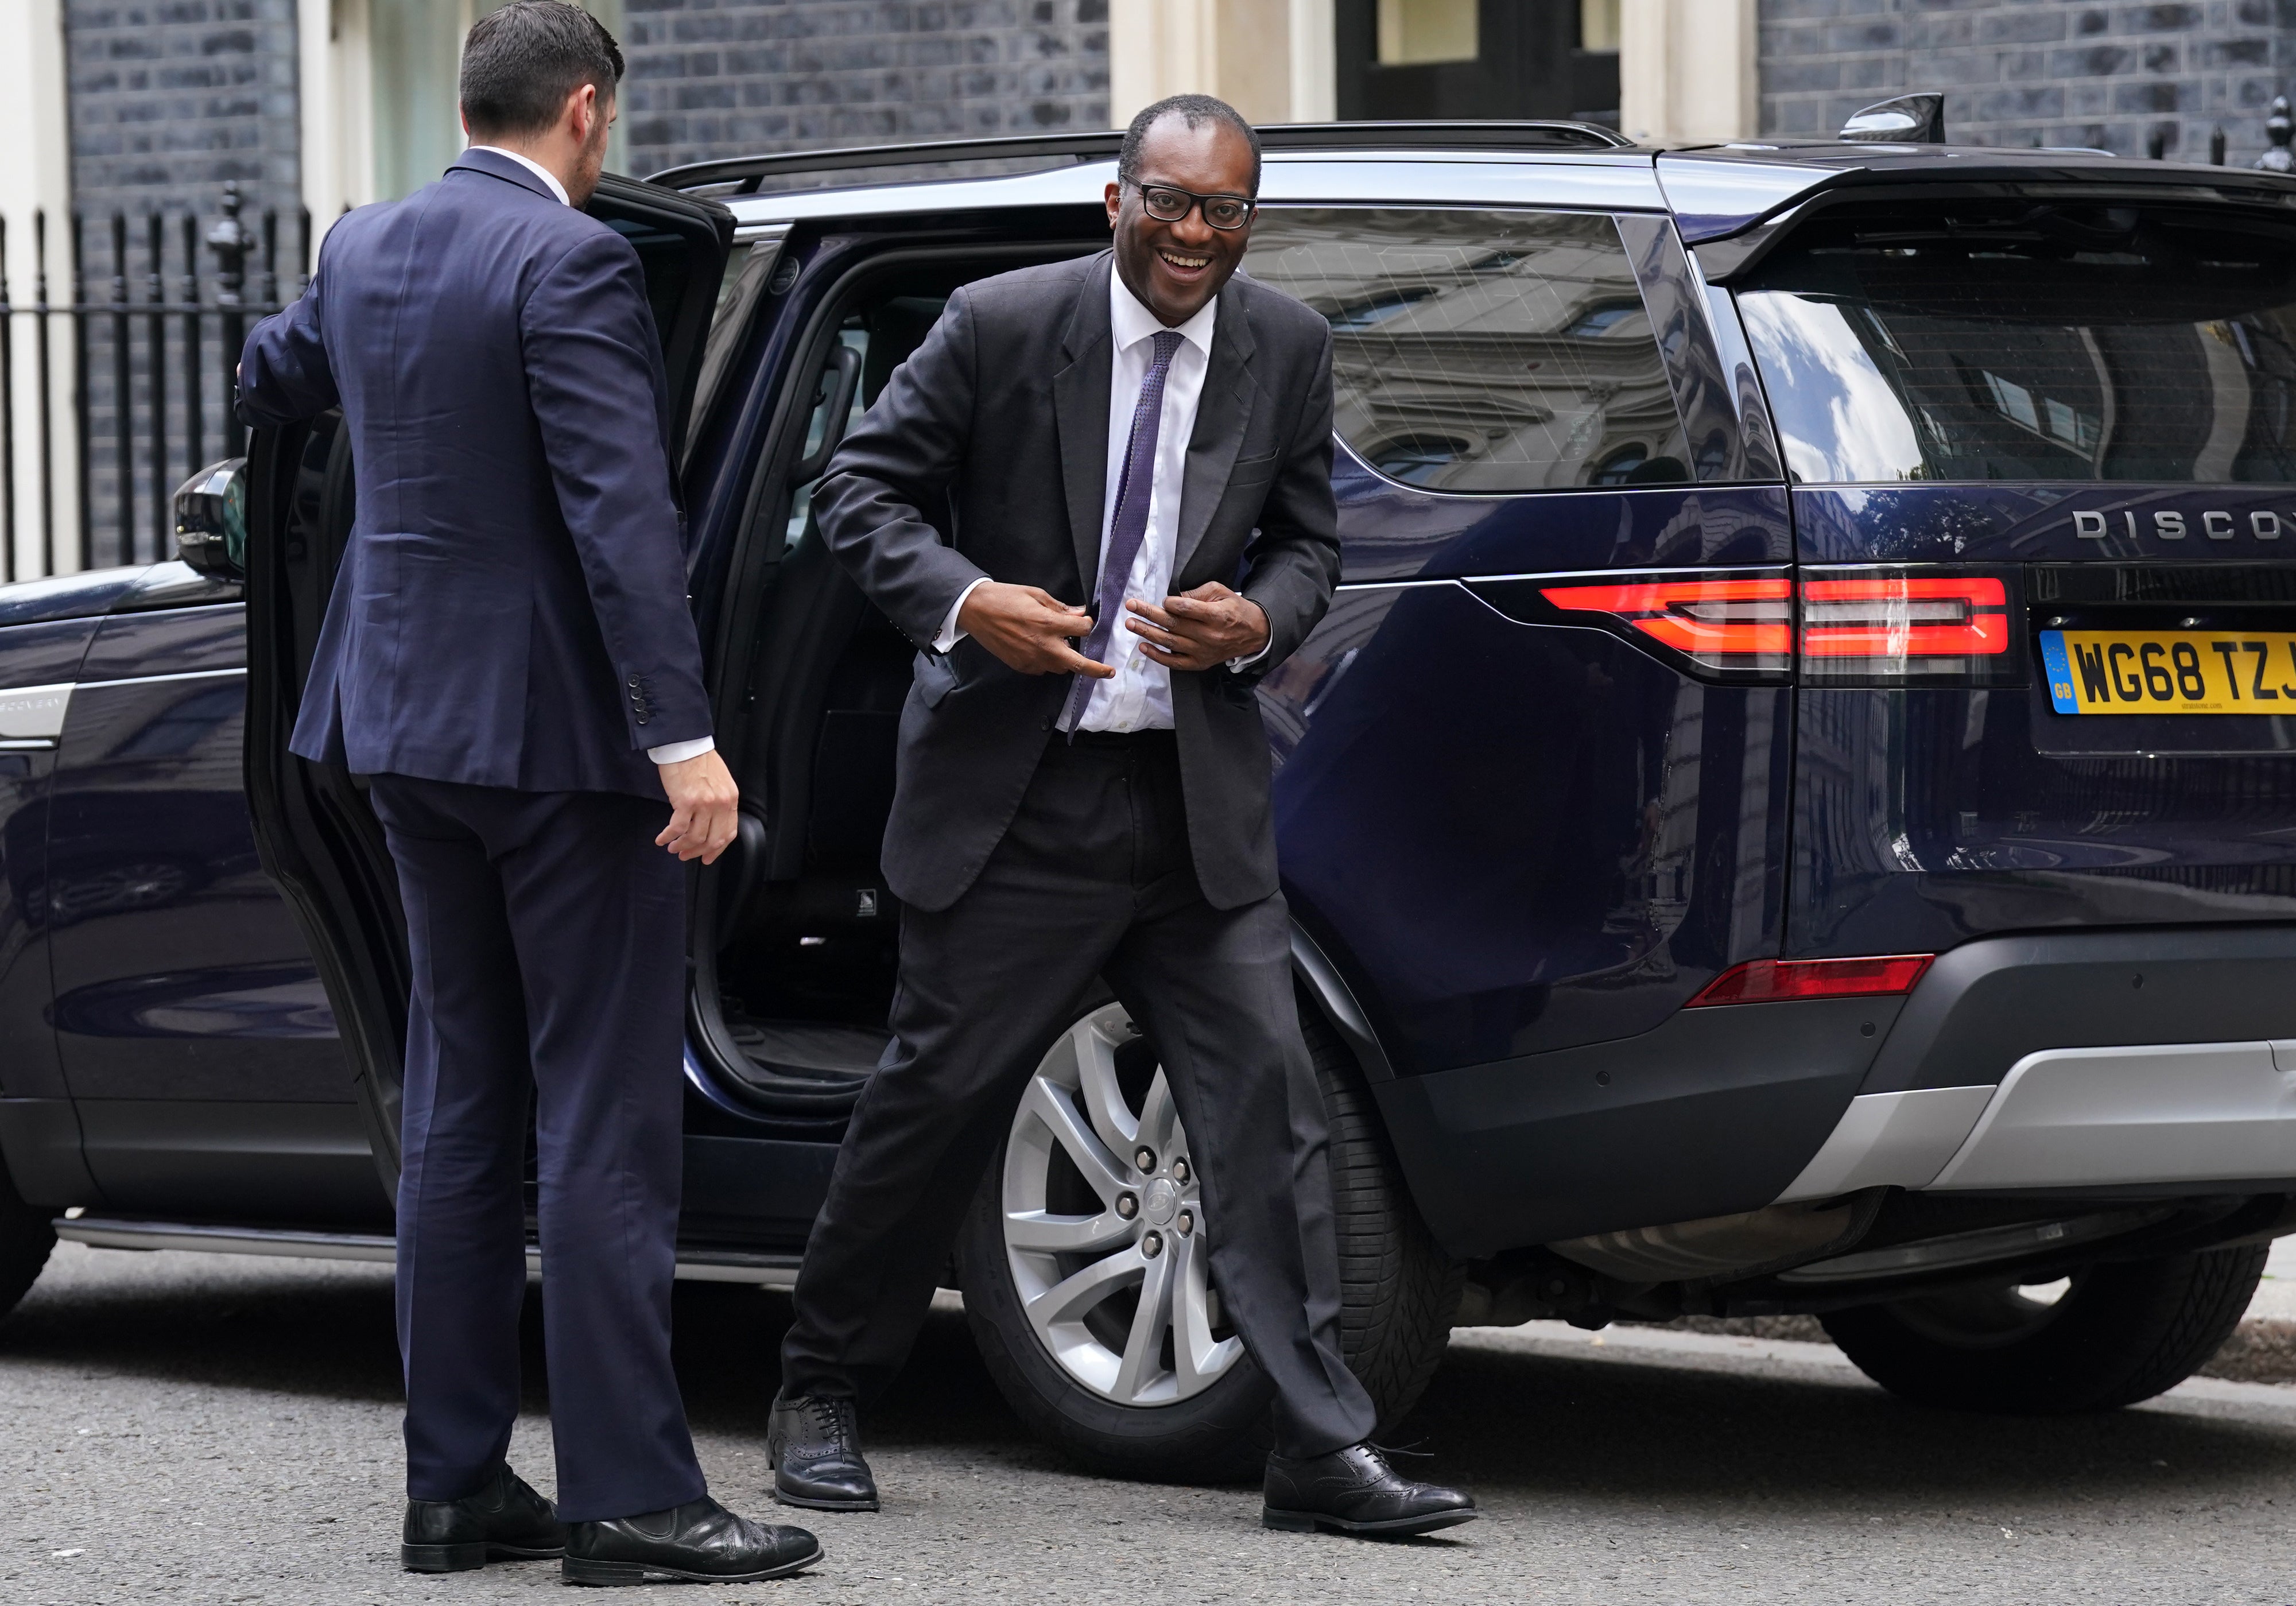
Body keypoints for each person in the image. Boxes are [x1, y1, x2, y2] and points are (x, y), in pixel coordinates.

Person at [767, 92, 1476, 1539]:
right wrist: (972, 603)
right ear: (1116, 201)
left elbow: (1309, 541)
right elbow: (856, 489)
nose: (1195, 235)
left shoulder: (1284, 344)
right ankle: (822, 1389)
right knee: (931, 1102)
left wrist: (1253, 620)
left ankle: (1315, 1447)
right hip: (1013, 805)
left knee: (1268, 1120)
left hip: (1190, 802)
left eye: (1224, 212)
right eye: (1171, 203)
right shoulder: (999, 324)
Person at [235, 1, 819, 1585]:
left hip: (398, 724)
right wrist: (684, 740)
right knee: (607, 1117)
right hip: (561, 747)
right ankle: (629, 1494)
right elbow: (623, 521)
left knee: (461, 1102)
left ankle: (455, 1485)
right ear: (583, 110)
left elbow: (269, 374)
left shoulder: (364, 247)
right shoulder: (571, 264)